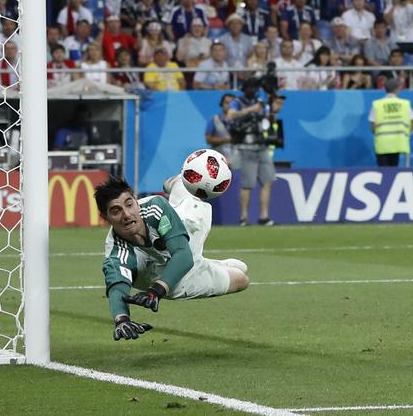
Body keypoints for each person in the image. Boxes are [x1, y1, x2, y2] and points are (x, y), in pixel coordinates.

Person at [94, 175, 250, 341]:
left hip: (183, 245)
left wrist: (156, 291)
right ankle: (207, 265)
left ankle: (177, 183)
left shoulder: (155, 206)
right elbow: (118, 287)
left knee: (193, 212)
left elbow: (184, 255)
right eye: (116, 211)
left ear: (136, 201)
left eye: (130, 204)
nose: (126, 214)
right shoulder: (117, 252)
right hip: (160, 276)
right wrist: (121, 319)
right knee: (241, 279)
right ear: (106, 218)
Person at [226, 77, 277, 226]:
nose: (253, 90)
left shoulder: (261, 101)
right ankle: (243, 217)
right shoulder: (237, 101)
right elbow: (230, 116)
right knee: (247, 183)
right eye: (251, 88)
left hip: (261, 145)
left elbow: (268, 116)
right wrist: (250, 110)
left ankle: (264, 216)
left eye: (255, 88)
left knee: (268, 180)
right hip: (246, 146)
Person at [368, 78, 413, 167]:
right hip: (398, 142)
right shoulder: (404, 104)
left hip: (382, 144)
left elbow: (373, 127)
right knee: (394, 171)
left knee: (383, 173)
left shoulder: (377, 104)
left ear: (385, 89)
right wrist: (406, 133)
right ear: (397, 89)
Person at [206, 93, 240, 168]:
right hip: (220, 161)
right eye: (227, 103)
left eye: (232, 103)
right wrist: (227, 140)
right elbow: (208, 139)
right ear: (221, 104)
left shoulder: (240, 121)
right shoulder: (215, 119)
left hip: (238, 161)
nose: (229, 106)